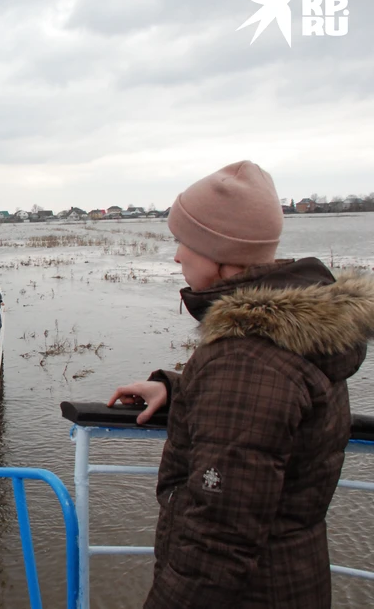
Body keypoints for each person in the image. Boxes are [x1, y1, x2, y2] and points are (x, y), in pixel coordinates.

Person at [106, 160, 374, 608]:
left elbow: (215, 543)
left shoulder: (247, 362)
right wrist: (181, 389)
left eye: (184, 241)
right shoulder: (287, 338)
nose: (176, 256)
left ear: (221, 252)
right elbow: (277, 404)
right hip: (292, 578)